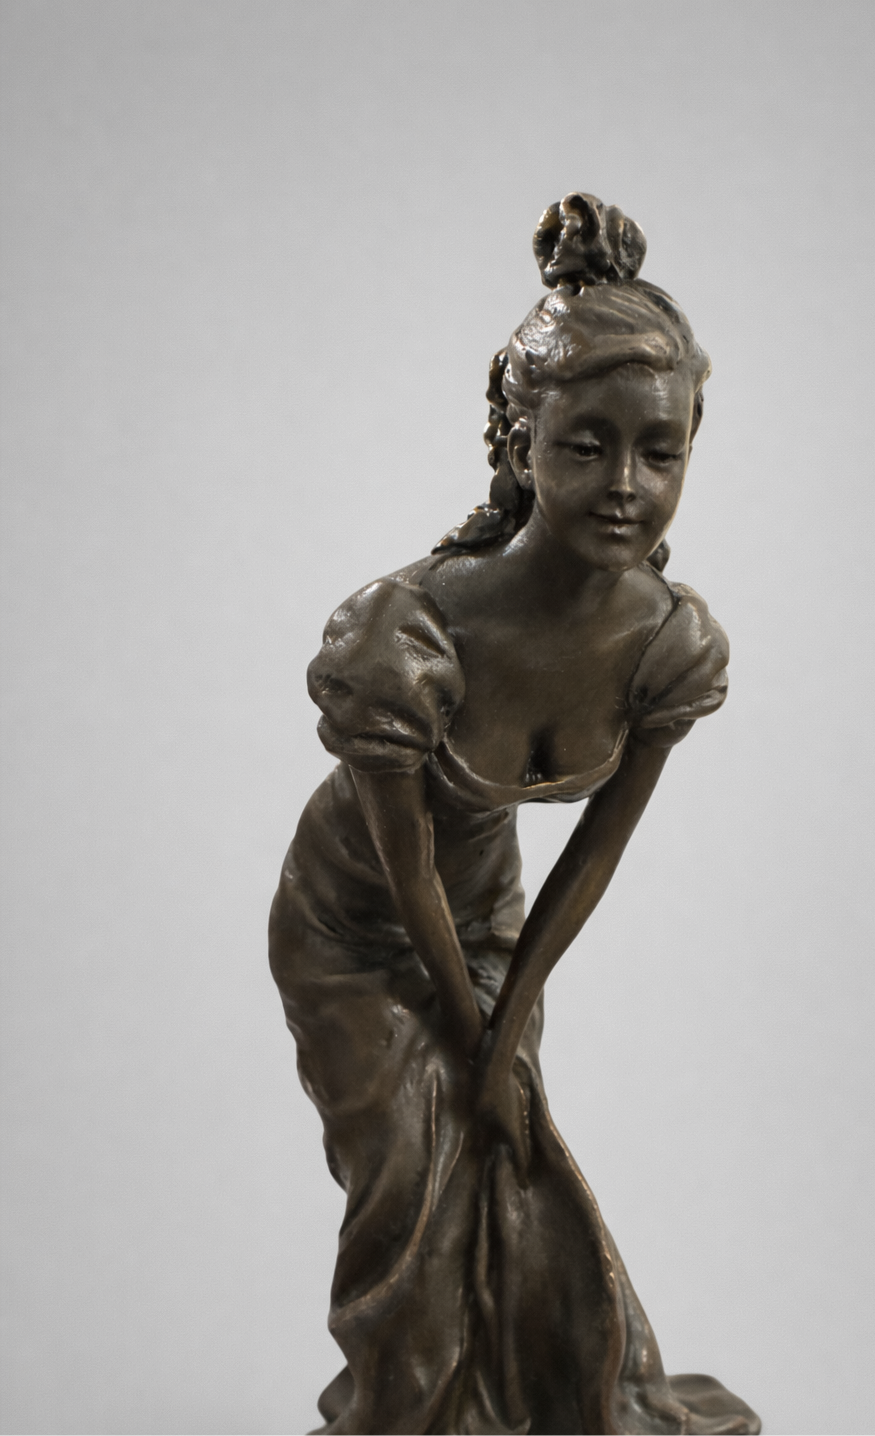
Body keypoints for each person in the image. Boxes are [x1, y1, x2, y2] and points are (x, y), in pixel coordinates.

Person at [269, 193, 760, 1436]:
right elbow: (403, 866)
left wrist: (505, 1038)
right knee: (408, 1171)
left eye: (660, 453)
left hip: (482, 911)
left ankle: (537, 1400)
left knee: (510, 1148)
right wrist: (475, 1036)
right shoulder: (407, 630)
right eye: (586, 445)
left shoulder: (668, 644)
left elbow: (592, 855)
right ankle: (402, 1409)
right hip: (355, 922)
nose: (626, 485)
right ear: (519, 438)